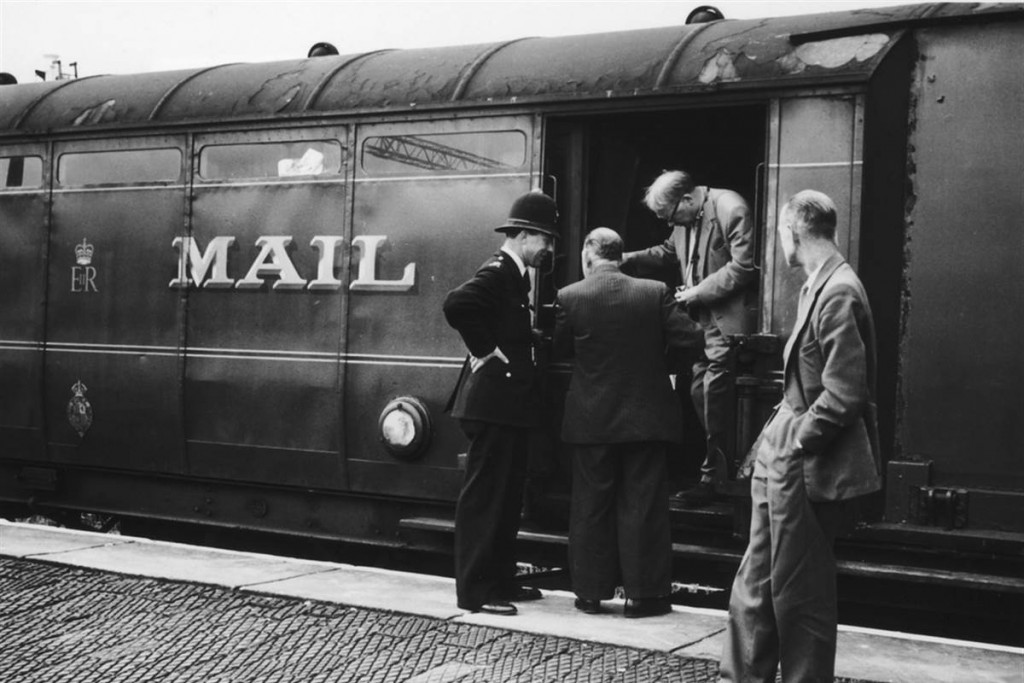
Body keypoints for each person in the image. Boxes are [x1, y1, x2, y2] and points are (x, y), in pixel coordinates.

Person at [719, 190, 881, 682]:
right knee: (756, 580)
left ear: (794, 231)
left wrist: (796, 441)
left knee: (799, 592)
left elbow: (844, 393)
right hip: (784, 457)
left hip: (803, 463)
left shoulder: (838, 292)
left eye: (779, 232)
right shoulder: (820, 284)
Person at [554, 228, 703, 618]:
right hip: (646, 417)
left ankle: (589, 594)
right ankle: (644, 597)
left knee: (590, 506)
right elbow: (691, 339)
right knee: (644, 506)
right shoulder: (653, 292)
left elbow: (558, 348)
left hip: (591, 420)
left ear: (589, 257)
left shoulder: (570, 297)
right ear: (620, 256)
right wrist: (661, 366)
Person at [442, 190, 559, 616]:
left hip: (506, 406)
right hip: (492, 404)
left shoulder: (516, 274)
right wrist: (486, 351)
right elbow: (457, 304)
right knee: (486, 499)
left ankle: (501, 579)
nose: (548, 249)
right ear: (524, 235)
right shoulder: (498, 271)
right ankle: (475, 592)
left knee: (507, 497)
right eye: (544, 240)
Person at [623, 170, 757, 507]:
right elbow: (668, 252)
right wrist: (626, 259)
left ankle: (715, 477)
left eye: (669, 215)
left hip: (725, 322)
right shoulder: (685, 220)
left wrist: (696, 292)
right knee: (700, 391)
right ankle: (716, 471)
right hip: (701, 323)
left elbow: (743, 267)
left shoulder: (731, 208)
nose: (670, 223)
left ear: (686, 199)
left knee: (713, 394)